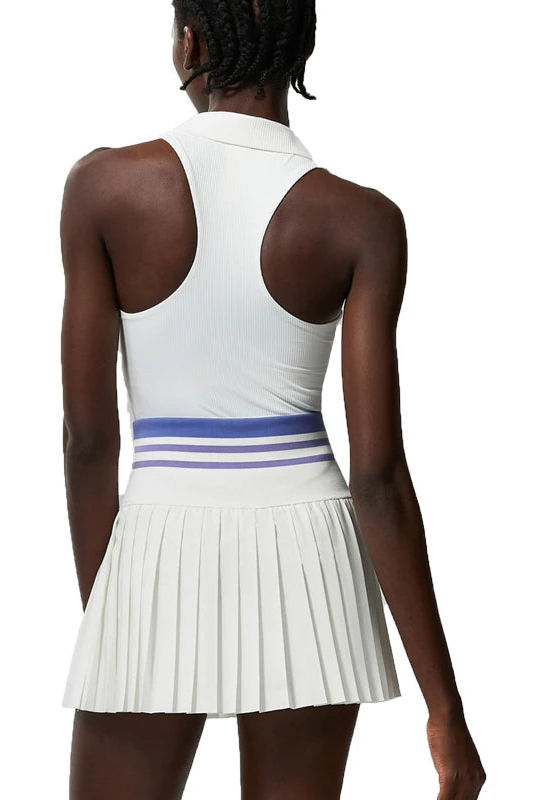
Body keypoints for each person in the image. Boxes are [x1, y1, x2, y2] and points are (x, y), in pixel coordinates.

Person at [59, 2, 486, 798]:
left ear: (190, 42)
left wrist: (109, 619)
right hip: (310, 566)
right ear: (298, 49)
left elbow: (88, 441)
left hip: (159, 538)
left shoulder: (105, 187)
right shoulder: (362, 219)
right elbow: (379, 476)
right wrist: (445, 710)